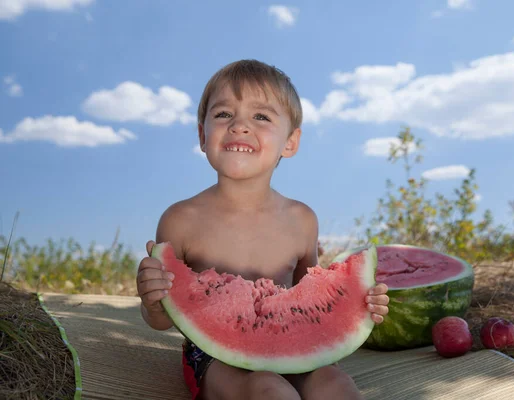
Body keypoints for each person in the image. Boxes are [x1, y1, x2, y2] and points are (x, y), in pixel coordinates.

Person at [136, 59, 389, 400]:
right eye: (224, 114)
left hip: (295, 341)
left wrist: (359, 303)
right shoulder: (180, 219)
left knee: (337, 387)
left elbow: (310, 300)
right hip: (212, 356)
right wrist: (152, 302)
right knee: (268, 391)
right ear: (202, 134)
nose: (239, 126)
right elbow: (164, 320)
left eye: (261, 117)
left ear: (290, 142)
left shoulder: (302, 220)